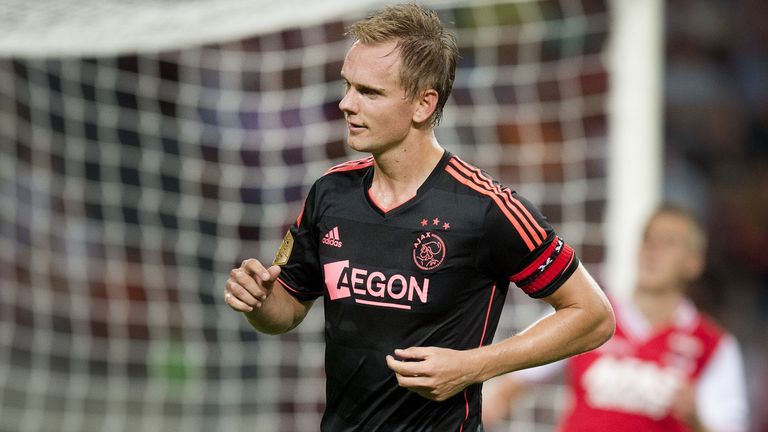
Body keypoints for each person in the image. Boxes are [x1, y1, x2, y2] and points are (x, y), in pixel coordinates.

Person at [224, 4, 615, 431]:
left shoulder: (487, 208)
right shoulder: (329, 193)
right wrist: (260, 303)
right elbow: (289, 310)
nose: (345, 104)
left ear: (423, 104)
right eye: (347, 86)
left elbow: (593, 316)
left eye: (369, 92)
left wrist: (475, 365)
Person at [482, 204, 749, 432]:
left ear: (694, 262)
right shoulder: (588, 313)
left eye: (668, 242)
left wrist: (697, 421)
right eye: (648, 238)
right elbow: (507, 387)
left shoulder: (714, 346)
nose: (652, 249)